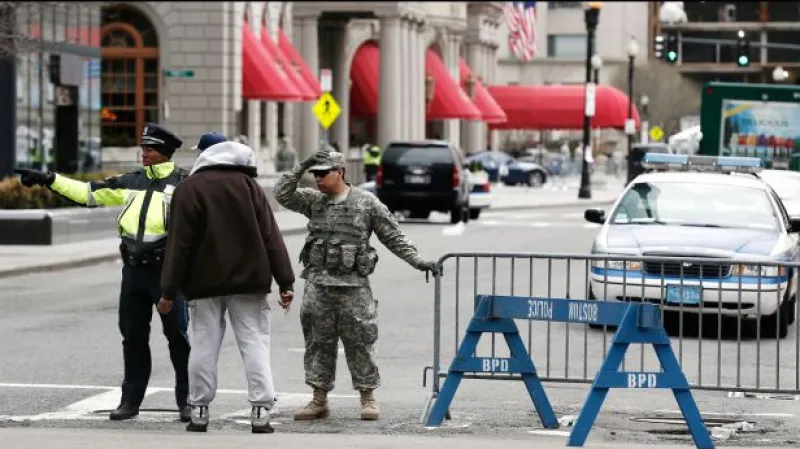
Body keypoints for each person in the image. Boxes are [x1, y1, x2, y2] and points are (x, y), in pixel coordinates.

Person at [14, 123, 192, 422]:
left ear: (165, 152)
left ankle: (187, 400)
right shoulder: (132, 180)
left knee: (178, 338)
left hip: (167, 272)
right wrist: (49, 179)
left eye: (150, 149)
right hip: (133, 272)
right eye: (143, 148)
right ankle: (130, 400)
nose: (144, 153)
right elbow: (87, 193)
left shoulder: (184, 183)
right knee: (132, 338)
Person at [274, 149, 439, 422]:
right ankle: (319, 399)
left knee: (360, 342)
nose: (318, 178)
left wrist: (418, 261)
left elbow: (393, 236)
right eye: (315, 174)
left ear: (340, 172)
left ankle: (368, 397)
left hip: (353, 287)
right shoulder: (313, 200)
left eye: (323, 173)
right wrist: (303, 164)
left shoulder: (366, 202)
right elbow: (281, 194)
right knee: (318, 344)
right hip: (318, 286)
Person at [158, 136, 296, 434]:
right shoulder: (249, 186)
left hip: (203, 282)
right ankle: (260, 410)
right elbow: (271, 235)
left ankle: (199, 410)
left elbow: (178, 245)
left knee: (203, 343)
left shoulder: (189, 188)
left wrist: (168, 290)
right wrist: (285, 281)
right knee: (254, 341)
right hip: (249, 280)